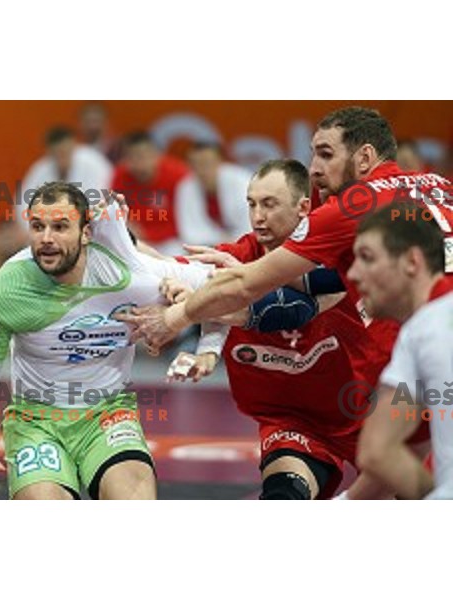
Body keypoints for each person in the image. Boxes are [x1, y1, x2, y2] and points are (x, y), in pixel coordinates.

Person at [118, 106, 453, 398]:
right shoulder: (438, 186)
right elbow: (318, 282)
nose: (314, 168)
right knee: (395, 462)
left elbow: (253, 290)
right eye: (252, 204)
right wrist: (122, 241)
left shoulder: (348, 208)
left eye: (326, 154)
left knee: (386, 456)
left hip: (415, 356)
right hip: (388, 371)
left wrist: (175, 318)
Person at [0, 182, 222, 500]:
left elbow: (227, 292)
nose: (46, 238)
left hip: (108, 415)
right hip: (35, 423)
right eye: (37, 226)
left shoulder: (131, 273)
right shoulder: (7, 289)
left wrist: (204, 346)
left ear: (86, 233)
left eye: (60, 227)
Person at [166, 159, 367, 499]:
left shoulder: (344, 259)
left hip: (367, 412)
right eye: (251, 204)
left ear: (303, 207)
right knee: (283, 496)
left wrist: (201, 312)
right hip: (293, 422)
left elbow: (288, 309)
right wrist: (124, 250)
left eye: (269, 204)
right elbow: (167, 269)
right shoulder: (236, 255)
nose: (257, 216)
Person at [349, 203, 453, 499]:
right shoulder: (421, 329)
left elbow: (376, 451)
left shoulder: (422, 330)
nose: (354, 274)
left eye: (367, 258)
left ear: (412, 261)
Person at [0, 126, 113, 275]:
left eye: (65, 152)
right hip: (49, 229)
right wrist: (26, 230)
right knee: (0, 244)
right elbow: (22, 206)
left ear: (74, 146)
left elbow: (100, 206)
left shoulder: (94, 164)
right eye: (56, 154)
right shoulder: (41, 169)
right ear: (49, 152)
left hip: (88, 230)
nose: (61, 158)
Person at [111, 131, 189, 256]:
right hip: (137, 241)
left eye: (143, 156)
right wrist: (126, 224)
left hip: (172, 242)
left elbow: (186, 220)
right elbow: (114, 211)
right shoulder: (119, 176)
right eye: (132, 157)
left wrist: (148, 233)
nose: (139, 163)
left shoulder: (179, 175)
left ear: (156, 155)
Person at [175, 142, 251, 247]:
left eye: (206, 163)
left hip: (246, 243)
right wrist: (218, 242)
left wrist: (233, 241)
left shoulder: (242, 182)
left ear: (219, 161)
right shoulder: (186, 187)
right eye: (195, 164)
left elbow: (251, 223)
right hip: (210, 246)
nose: (201, 169)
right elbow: (189, 230)